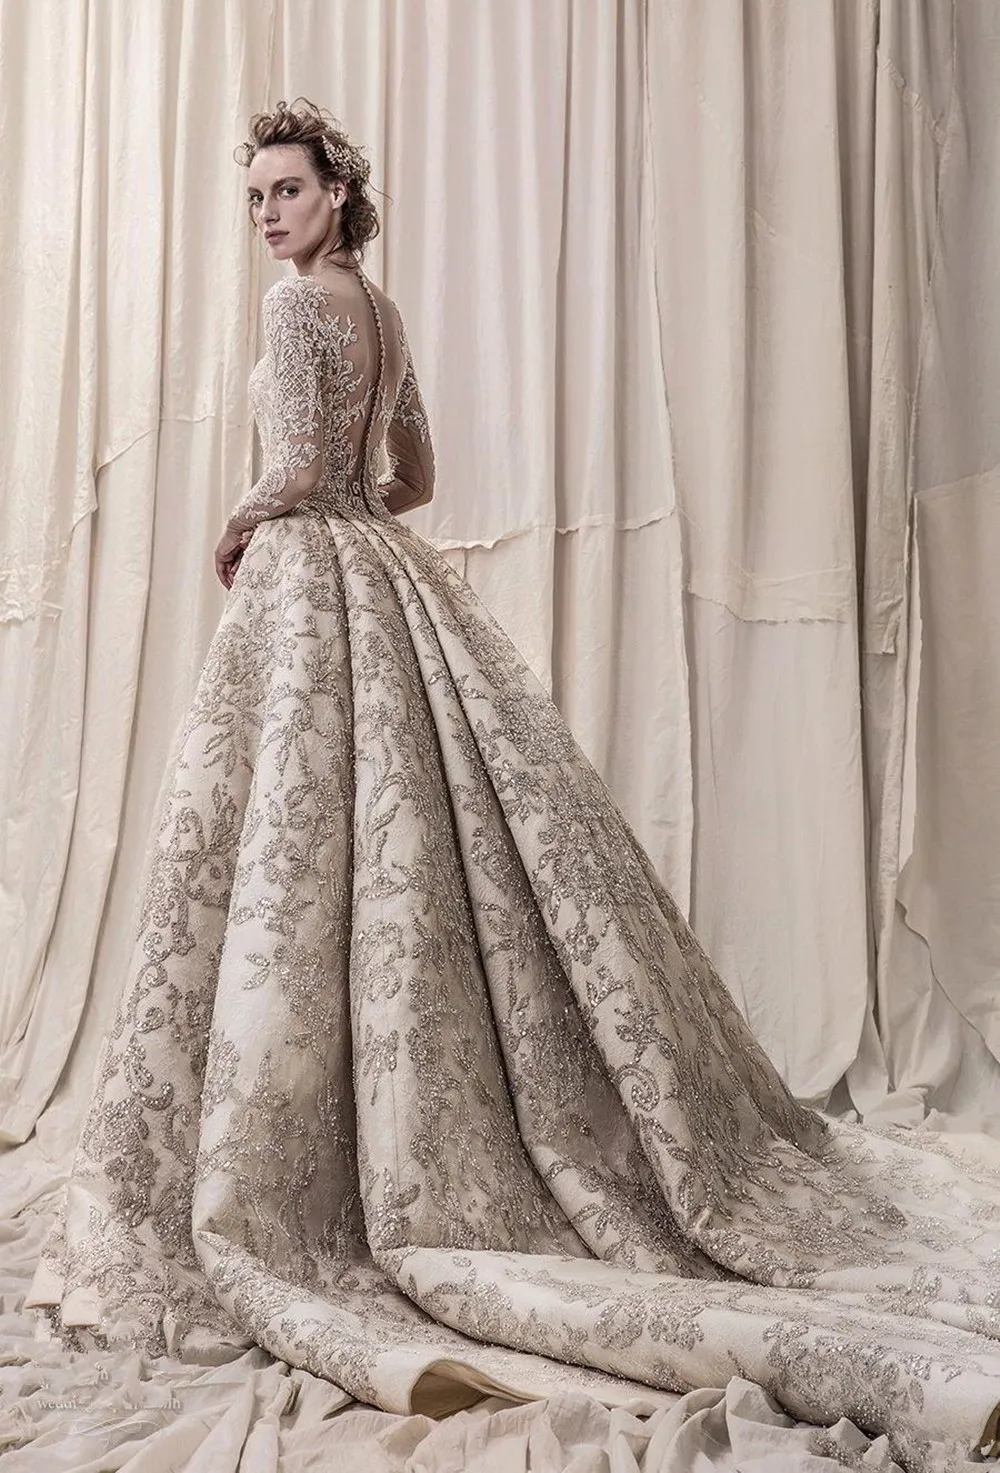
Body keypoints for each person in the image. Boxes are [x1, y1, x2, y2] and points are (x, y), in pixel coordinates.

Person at [24, 98, 1000, 1471]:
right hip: (382, 571)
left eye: (286, 191)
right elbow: (412, 476)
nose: (266, 215)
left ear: (336, 194)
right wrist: (344, 512)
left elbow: (298, 468)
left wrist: (247, 519)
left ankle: (302, 1163)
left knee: (295, 854)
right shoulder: (384, 312)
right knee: (398, 842)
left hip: (310, 576)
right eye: (254, 197)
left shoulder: (297, 309)